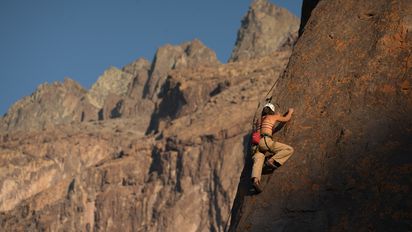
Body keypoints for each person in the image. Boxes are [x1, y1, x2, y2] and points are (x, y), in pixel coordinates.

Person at [251, 103, 294, 193]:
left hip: (255, 146)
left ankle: (255, 181)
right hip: (265, 141)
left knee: (259, 159)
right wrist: (290, 112)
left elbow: (266, 128)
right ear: (272, 111)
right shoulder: (272, 117)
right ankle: (272, 160)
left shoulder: (259, 121)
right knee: (289, 149)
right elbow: (286, 119)